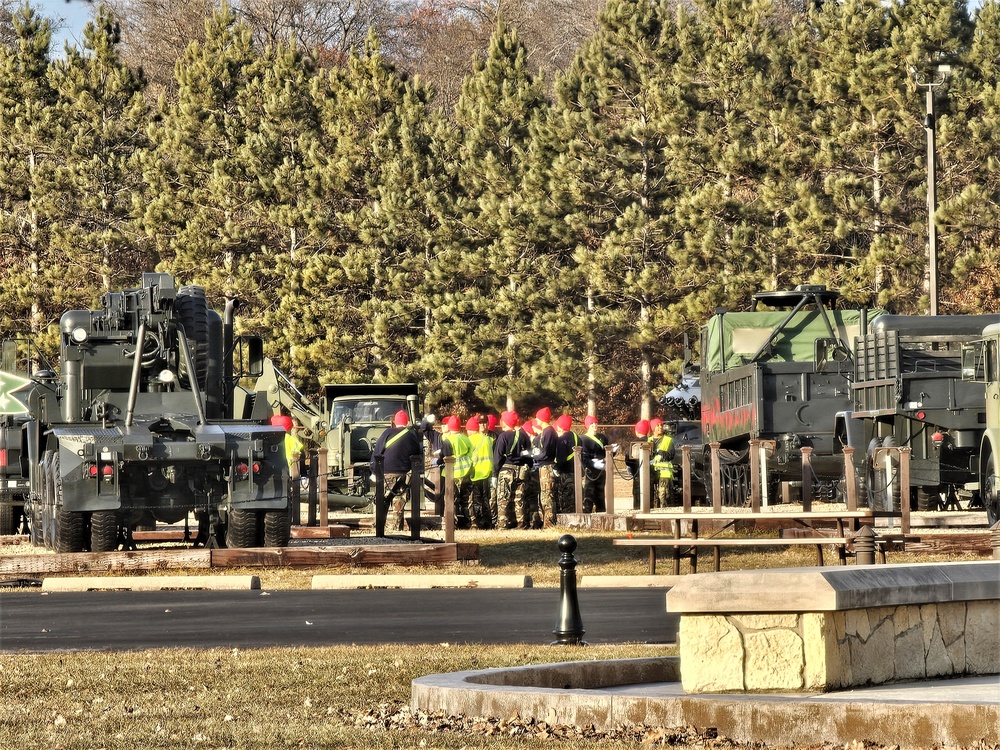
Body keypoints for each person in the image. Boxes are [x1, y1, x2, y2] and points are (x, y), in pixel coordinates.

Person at [369, 410, 424, 532]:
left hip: (386, 472)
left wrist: (373, 470)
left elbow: (377, 451)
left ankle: (378, 527)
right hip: (403, 473)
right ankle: (397, 528)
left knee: (381, 501)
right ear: (407, 422)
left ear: (394, 422)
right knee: (399, 503)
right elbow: (417, 453)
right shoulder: (412, 435)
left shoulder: (387, 433)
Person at [492, 410, 532, 529]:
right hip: (521, 471)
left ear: (505, 421)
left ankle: (502, 525)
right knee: (519, 498)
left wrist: (494, 474)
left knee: (503, 498)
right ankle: (521, 524)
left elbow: (498, 457)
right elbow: (529, 455)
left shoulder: (503, 436)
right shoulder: (524, 435)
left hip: (506, 470)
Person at [440, 415, 474, 528]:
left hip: (452, 473)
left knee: (451, 499)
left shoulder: (447, 440)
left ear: (449, 427)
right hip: (467, 471)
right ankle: (468, 522)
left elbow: (444, 456)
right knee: (467, 499)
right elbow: (472, 453)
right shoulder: (466, 439)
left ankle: (451, 524)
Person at [530, 406, 558, 527]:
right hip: (544, 466)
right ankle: (547, 522)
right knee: (545, 496)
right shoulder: (545, 432)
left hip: (547, 467)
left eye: (537, 417)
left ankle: (549, 523)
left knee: (547, 496)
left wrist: (534, 457)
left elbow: (546, 453)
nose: (536, 420)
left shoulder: (548, 432)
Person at [465, 416, 494, 529]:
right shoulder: (488, 439)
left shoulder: (470, 440)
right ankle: (488, 522)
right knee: (486, 499)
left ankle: (475, 523)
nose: (467, 432)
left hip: (475, 474)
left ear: (471, 430)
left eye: (468, 430)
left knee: (475, 500)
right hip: (487, 472)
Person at [580, 415, 610, 513]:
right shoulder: (584, 439)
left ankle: (601, 513)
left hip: (601, 469)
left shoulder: (603, 437)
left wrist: (613, 451)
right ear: (587, 426)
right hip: (590, 470)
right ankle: (587, 514)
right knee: (589, 493)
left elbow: (607, 453)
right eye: (592, 423)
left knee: (600, 494)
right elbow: (584, 457)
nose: (594, 425)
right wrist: (593, 464)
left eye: (596, 423)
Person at [552, 414, 579, 515]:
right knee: (575, 497)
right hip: (576, 471)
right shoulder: (577, 437)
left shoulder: (562, 439)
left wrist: (556, 468)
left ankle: (567, 519)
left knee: (565, 498)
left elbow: (561, 458)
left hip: (565, 473)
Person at [648, 418, 676, 508]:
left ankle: (664, 511)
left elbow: (671, 455)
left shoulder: (668, 440)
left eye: (661, 425)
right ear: (653, 428)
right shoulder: (648, 440)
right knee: (652, 495)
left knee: (663, 494)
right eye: (657, 425)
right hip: (651, 471)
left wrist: (660, 452)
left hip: (664, 472)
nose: (660, 427)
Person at [627, 419, 650, 509]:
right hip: (649, 474)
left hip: (637, 474)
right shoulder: (650, 441)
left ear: (637, 431)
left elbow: (628, 460)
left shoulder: (633, 443)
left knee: (637, 495)